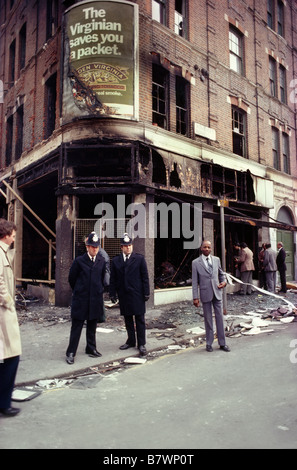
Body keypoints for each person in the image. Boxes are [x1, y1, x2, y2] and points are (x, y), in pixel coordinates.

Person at [66, 232, 106, 364]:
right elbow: (71, 279)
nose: (95, 249)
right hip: (81, 299)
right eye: (92, 247)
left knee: (92, 326)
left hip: (95, 299)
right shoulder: (79, 261)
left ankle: (91, 348)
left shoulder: (101, 260)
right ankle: (71, 352)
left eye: (97, 247)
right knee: (76, 326)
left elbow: (101, 279)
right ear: (87, 247)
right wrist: (79, 290)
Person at [109, 233, 150, 356]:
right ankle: (131, 341)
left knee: (139, 319)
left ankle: (141, 344)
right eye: (125, 246)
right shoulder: (116, 260)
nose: (128, 248)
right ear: (121, 247)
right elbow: (113, 279)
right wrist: (112, 293)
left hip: (137, 294)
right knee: (128, 319)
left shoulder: (139, 259)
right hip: (124, 294)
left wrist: (146, 292)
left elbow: (145, 277)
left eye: (130, 245)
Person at [192, 240, 230, 353]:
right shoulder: (196, 263)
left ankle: (222, 343)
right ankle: (209, 343)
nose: (207, 249)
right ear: (201, 248)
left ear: (211, 248)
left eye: (209, 247)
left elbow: (221, 273)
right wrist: (195, 297)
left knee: (220, 318)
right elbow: (194, 281)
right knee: (208, 319)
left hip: (217, 292)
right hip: (205, 293)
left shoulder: (216, 260)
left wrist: (224, 282)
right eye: (205, 247)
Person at [0, 219, 21, 417]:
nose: (14, 238)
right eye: (13, 235)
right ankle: (3, 403)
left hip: (4, 314)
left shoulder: (3, 252)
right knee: (11, 356)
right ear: (5, 235)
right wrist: (8, 301)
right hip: (3, 314)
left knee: (7, 357)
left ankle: (3, 399)